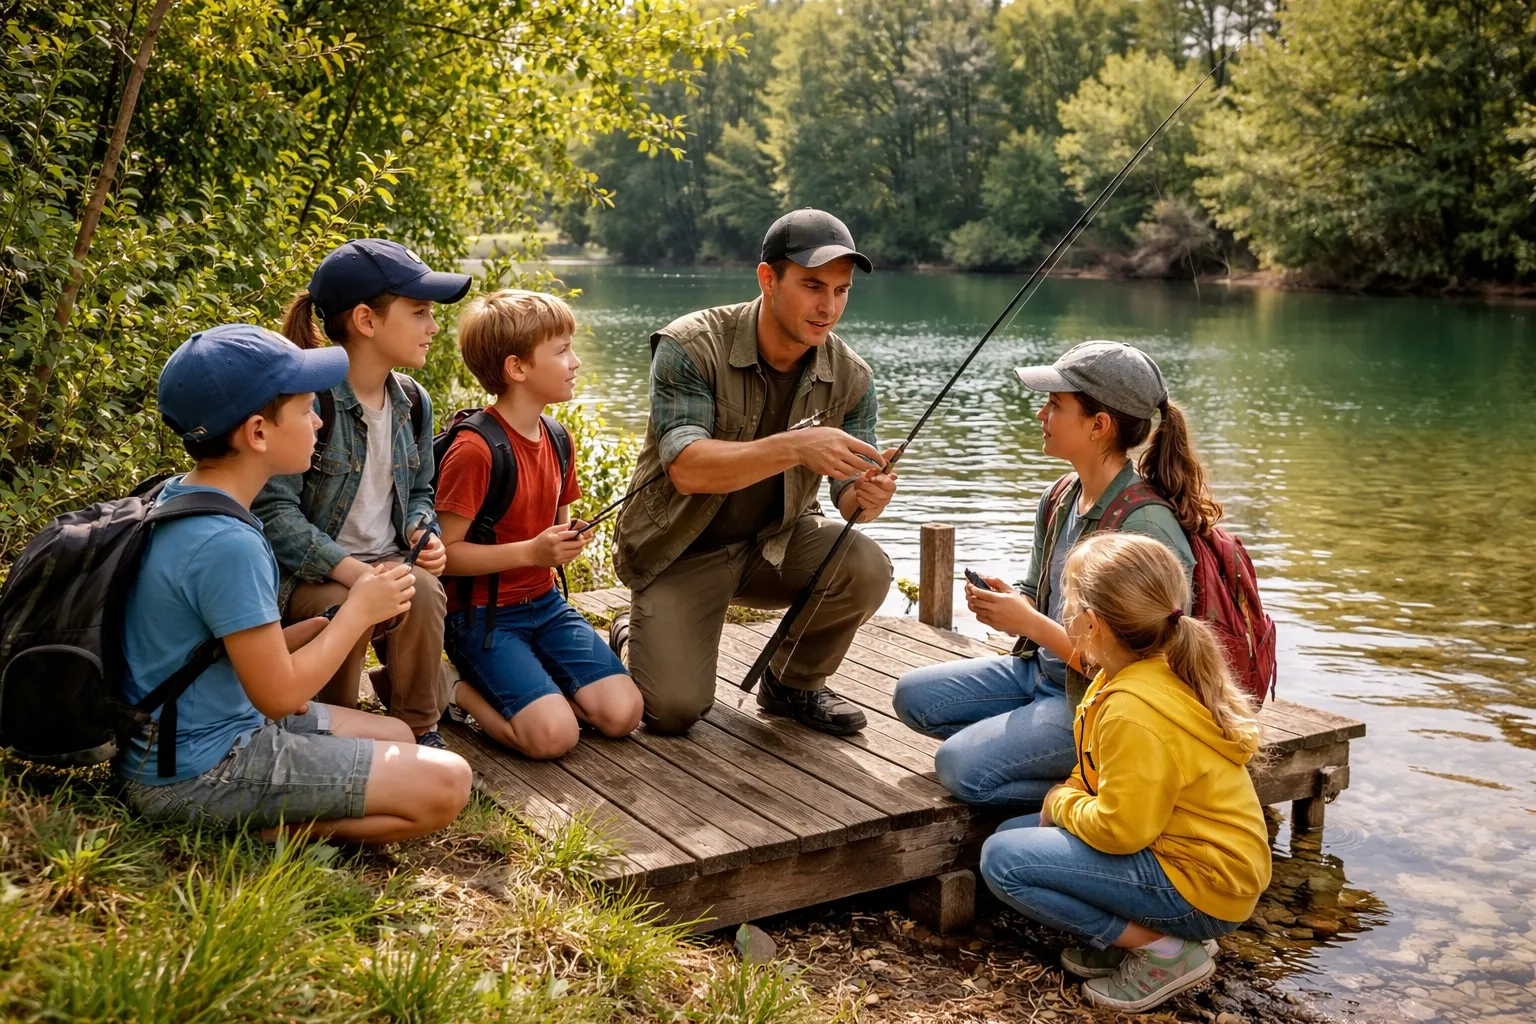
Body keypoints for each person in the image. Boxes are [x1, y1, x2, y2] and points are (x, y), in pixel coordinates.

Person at [121, 324, 471, 840]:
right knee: (448, 783)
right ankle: (256, 830)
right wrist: (357, 611)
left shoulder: (185, 498)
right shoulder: (228, 543)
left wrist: (305, 633)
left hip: (211, 722)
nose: (318, 422)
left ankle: (279, 808)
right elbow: (280, 696)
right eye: (308, 410)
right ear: (258, 433)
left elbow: (207, 652)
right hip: (197, 768)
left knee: (400, 734)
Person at [608, 209, 897, 736]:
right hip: (681, 549)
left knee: (866, 564)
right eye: (812, 286)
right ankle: (633, 632)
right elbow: (687, 469)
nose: (829, 307)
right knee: (672, 711)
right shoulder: (689, 345)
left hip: (777, 544)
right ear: (768, 278)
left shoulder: (852, 377)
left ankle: (792, 684)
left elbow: (850, 501)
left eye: (841, 290)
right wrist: (797, 447)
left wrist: (869, 495)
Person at [892, 341, 1216, 806]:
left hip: (1101, 703)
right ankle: (1051, 753)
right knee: (912, 696)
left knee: (959, 768)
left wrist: (1030, 624)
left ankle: (1097, 792)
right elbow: (1034, 591)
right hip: (1039, 673)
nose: (1041, 414)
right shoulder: (1061, 495)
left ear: (1099, 425)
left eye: (1055, 405)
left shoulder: (1145, 526)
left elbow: (1142, 669)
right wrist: (1012, 605)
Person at [978, 532, 1270, 1012]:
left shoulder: (1134, 710)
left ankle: (1165, 950)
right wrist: (1069, 794)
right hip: (1189, 859)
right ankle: (1143, 934)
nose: (1062, 611)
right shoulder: (1136, 671)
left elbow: (1120, 831)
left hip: (1204, 885)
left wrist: (1060, 803)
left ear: (1091, 624)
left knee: (1005, 862)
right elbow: (1096, 769)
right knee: (1014, 835)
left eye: (1067, 600)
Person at [257, 238, 472, 748]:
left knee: (423, 589)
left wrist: (422, 529)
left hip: (385, 561)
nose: (433, 327)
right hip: (312, 576)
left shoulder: (413, 402)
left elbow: (420, 489)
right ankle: (334, 727)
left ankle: (419, 728)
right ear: (366, 321)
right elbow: (273, 511)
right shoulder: (309, 403)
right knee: (344, 600)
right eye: (419, 312)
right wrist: (353, 572)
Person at [435, 290, 643, 759]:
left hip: (546, 606)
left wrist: (567, 541)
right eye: (562, 350)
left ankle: (538, 691)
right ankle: (451, 687)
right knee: (553, 737)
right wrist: (532, 551)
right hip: (483, 617)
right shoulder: (474, 450)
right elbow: (444, 555)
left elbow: (553, 531)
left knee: (623, 714)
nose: (576, 361)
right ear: (517, 368)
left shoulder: (558, 438)